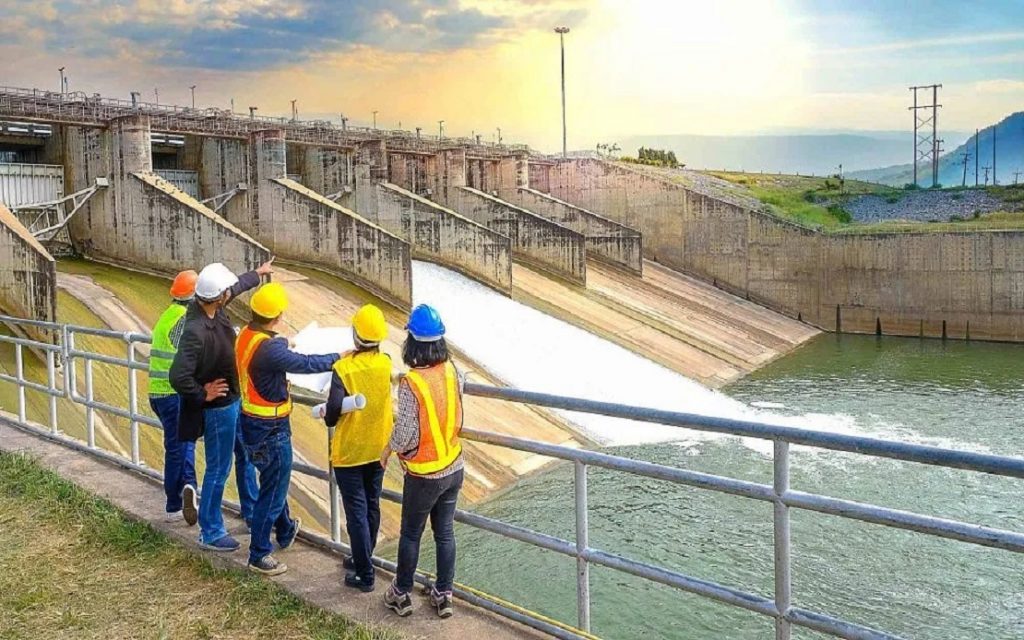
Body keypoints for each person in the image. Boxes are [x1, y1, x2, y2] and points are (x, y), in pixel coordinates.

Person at [236, 282, 340, 575]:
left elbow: (274, 349)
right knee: (273, 490)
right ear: (278, 315)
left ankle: (285, 529)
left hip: (251, 423)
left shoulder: (247, 335)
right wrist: (339, 357)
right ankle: (259, 553)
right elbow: (306, 364)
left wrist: (284, 342)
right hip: (271, 428)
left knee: (272, 479)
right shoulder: (269, 349)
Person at [170, 259, 273, 552]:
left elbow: (235, 287)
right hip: (218, 410)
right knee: (218, 469)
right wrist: (203, 393)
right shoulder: (196, 330)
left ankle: (251, 513)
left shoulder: (212, 309)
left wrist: (257, 274)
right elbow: (178, 376)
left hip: (233, 401)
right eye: (225, 292)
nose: (230, 292)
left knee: (245, 457)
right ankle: (211, 531)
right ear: (218, 297)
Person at [381, 304, 463, 619]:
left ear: (412, 343)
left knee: (411, 534)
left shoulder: (412, 383)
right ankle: (444, 594)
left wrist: (389, 449)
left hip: (425, 474)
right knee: (445, 533)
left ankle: (401, 593)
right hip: (454, 466)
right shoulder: (452, 371)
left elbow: (405, 434)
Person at [320, 304, 393, 592]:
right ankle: (364, 557)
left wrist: (326, 412)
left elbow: (333, 412)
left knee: (356, 512)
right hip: (379, 448)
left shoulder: (343, 369)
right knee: (372, 504)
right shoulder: (386, 363)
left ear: (355, 335)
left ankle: (365, 573)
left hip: (351, 452)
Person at [148, 270, 200, 524]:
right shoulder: (184, 320)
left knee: (184, 441)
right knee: (177, 448)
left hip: (158, 392)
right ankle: (173, 504)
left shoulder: (168, 314)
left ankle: (189, 486)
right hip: (172, 395)